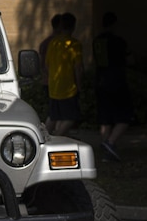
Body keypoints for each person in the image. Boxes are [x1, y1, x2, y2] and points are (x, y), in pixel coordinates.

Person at [93, 12, 133, 161]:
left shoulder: (97, 41)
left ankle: (106, 147)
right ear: (114, 24)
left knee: (105, 118)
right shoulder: (118, 41)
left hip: (100, 81)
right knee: (124, 117)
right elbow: (129, 59)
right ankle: (110, 143)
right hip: (116, 81)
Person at [45, 12, 84, 136]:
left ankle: (44, 136)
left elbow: (47, 64)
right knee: (71, 117)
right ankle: (57, 136)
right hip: (68, 88)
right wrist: (79, 85)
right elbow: (78, 67)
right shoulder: (74, 44)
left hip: (54, 86)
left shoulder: (53, 43)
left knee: (54, 116)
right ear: (74, 26)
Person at [38, 13, 62, 133]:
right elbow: (45, 64)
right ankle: (49, 134)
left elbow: (42, 64)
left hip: (47, 80)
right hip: (53, 81)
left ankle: (59, 133)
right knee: (55, 112)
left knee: (55, 111)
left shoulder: (45, 42)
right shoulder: (55, 43)